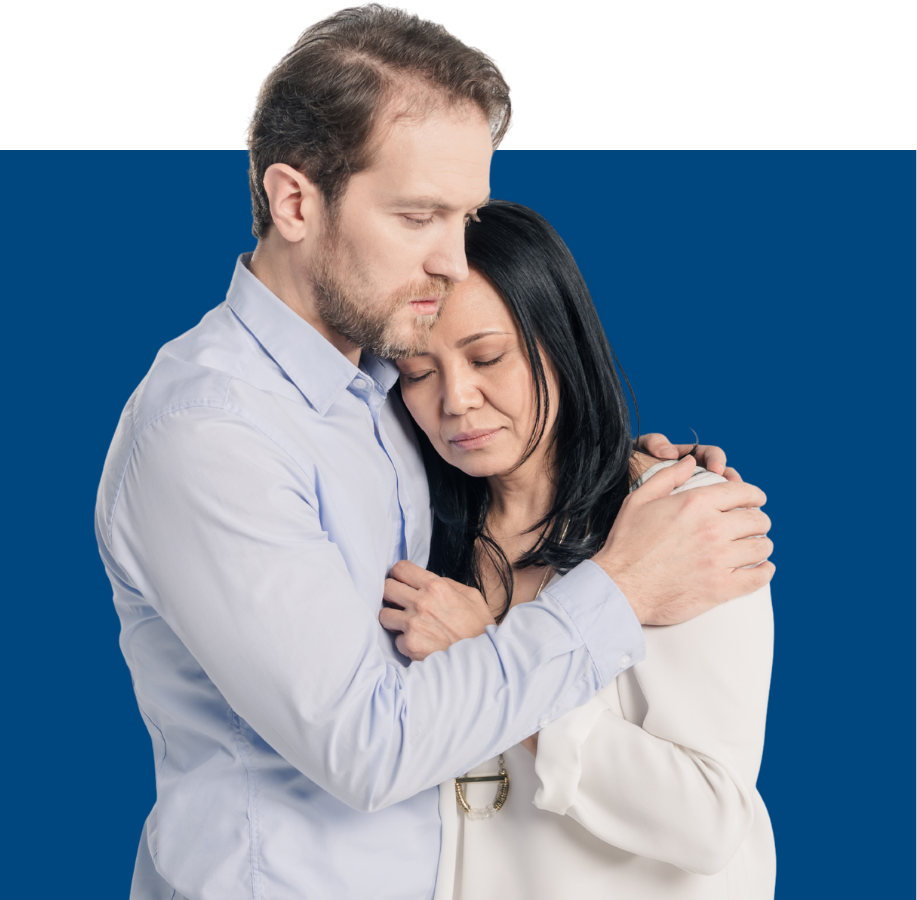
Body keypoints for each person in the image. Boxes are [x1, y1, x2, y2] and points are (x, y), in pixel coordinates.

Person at [94, 6, 774, 898]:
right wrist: (623, 586)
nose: (452, 261)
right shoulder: (211, 432)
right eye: (419, 215)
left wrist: (624, 468)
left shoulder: (382, 387)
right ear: (294, 201)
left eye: (466, 216)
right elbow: (367, 747)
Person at [386, 200, 775, 899]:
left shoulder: (679, 518)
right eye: (416, 372)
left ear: (558, 340)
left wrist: (492, 657)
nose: (456, 399)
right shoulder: (416, 530)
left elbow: (710, 822)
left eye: (487, 356)